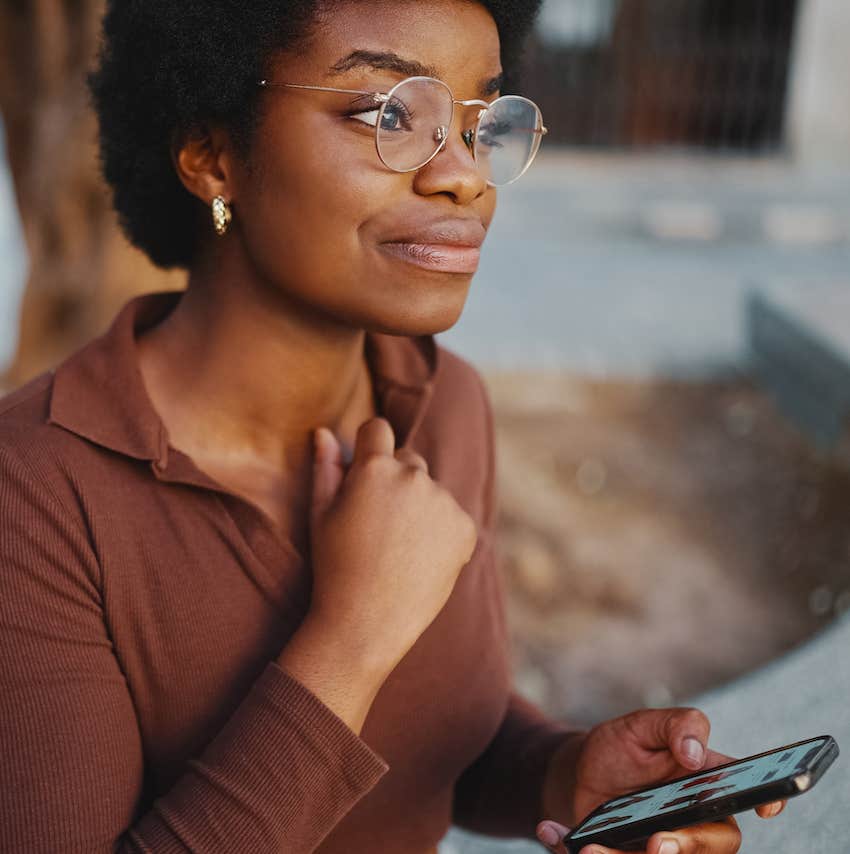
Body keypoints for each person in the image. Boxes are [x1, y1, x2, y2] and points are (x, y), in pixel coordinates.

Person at [0, 2, 786, 852]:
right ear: (213, 155)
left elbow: (440, 742)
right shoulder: (35, 495)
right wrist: (353, 635)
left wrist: (566, 772)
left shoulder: (443, 406)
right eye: (387, 114)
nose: (465, 177)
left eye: (478, 118)